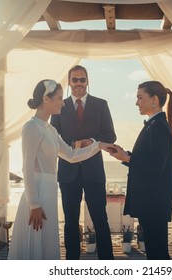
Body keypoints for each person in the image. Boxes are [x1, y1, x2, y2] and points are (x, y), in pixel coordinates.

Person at [8, 79, 115, 260]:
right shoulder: (31, 127)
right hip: (38, 194)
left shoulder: (50, 130)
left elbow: (71, 155)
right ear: (46, 99)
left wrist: (98, 146)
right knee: (35, 245)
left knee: (46, 244)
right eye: (58, 98)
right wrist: (33, 204)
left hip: (49, 192)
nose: (63, 102)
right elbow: (26, 168)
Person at [50, 65, 116, 260]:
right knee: (70, 221)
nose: (78, 83)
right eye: (74, 80)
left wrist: (92, 141)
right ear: (69, 83)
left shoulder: (101, 104)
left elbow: (110, 135)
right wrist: (74, 144)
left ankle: (107, 263)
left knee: (100, 220)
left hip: (94, 172)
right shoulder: (59, 106)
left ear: (88, 81)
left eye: (82, 79)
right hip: (68, 173)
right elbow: (54, 137)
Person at [108, 81, 172, 260]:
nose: (136, 102)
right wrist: (125, 155)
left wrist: (129, 159)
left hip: (153, 203)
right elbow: (149, 159)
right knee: (155, 253)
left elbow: (156, 165)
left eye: (140, 97)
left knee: (158, 255)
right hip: (152, 202)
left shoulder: (158, 127)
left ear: (154, 100)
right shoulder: (154, 125)